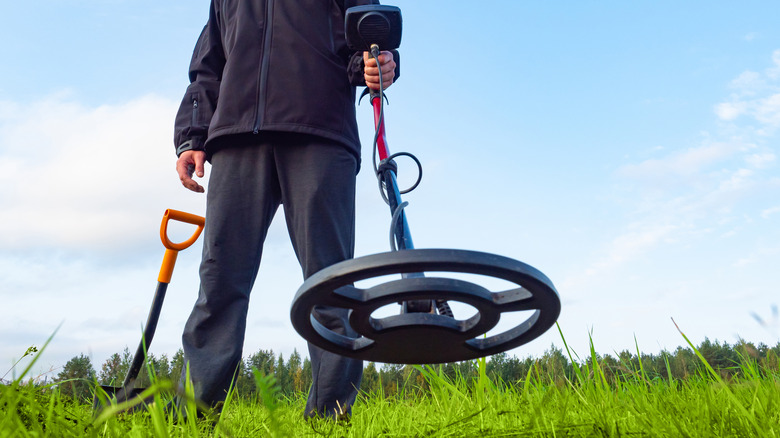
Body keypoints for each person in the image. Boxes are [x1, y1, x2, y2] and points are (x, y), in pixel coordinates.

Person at [172, 0, 397, 419]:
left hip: (320, 133)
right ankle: (191, 419)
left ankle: (331, 419)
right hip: (237, 137)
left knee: (329, 283)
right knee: (219, 283)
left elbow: (369, 38)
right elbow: (208, 65)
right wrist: (192, 136)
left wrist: (381, 64)